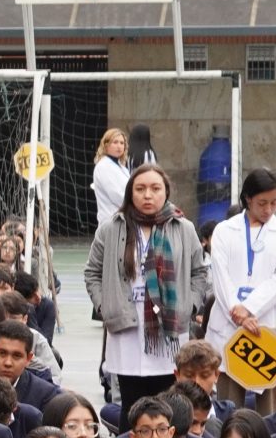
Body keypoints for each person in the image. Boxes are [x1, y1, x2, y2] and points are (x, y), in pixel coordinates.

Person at [84, 162, 204, 410]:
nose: (147, 195)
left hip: (168, 330)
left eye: (155, 188)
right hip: (126, 326)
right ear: (130, 193)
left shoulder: (184, 228)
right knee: (130, 403)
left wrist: (188, 306)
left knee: (167, 402)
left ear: (166, 192)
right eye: (140, 189)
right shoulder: (111, 228)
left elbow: (199, 273)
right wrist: (105, 306)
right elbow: (92, 272)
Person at [205, 167, 276, 404]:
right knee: (228, 401)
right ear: (248, 199)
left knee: (272, 403)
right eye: (261, 203)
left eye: (273, 203)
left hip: (268, 324)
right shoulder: (225, 230)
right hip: (230, 325)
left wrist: (249, 310)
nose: (268, 210)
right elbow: (221, 277)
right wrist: (237, 313)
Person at [90, 127, 130, 228]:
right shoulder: (103, 166)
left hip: (124, 221)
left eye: (122, 143)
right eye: (115, 142)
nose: (119, 146)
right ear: (106, 145)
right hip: (111, 222)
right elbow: (116, 195)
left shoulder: (122, 168)